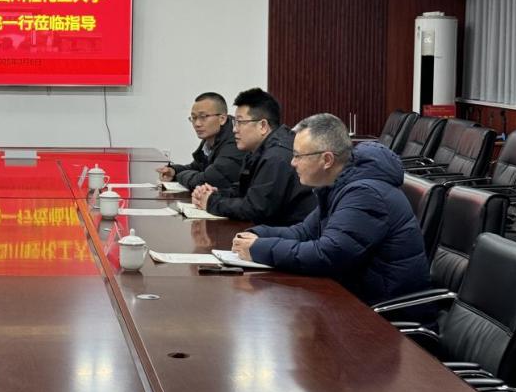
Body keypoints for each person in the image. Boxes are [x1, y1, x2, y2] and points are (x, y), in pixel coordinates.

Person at [232, 113, 432, 306]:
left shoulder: (365, 195)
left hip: (381, 314)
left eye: (298, 156)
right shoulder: (339, 184)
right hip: (354, 299)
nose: (292, 163)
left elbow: (327, 255)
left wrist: (259, 248)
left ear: (327, 160)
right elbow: (304, 232)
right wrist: (257, 234)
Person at [191, 87, 314, 225]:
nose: (234, 129)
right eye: (235, 123)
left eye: (240, 122)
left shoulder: (276, 156)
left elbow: (255, 209)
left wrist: (211, 202)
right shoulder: (260, 151)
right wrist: (216, 193)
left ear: (263, 126)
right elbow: (245, 192)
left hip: (292, 233)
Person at [156, 92, 244, 191]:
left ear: (222, 119)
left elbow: (209, 180)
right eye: (194, 118)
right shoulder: (212, 137)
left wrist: (179, 176)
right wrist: (173, 171)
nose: (197, 124)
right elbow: (197, 167)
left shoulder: (236, 140)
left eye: (203, 117)